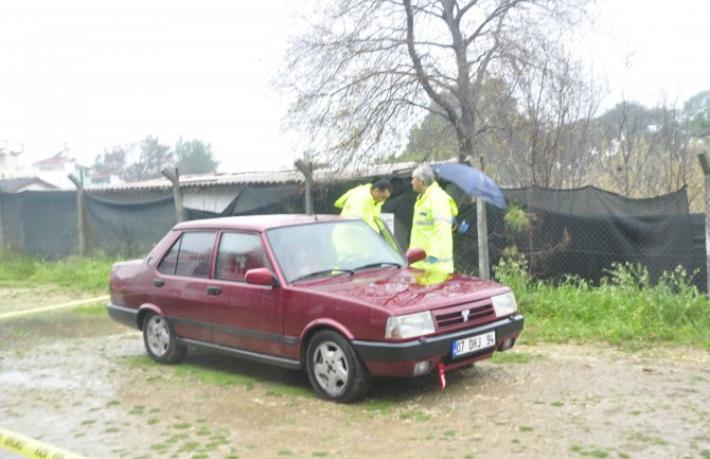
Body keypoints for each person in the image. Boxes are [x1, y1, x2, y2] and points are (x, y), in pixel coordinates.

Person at [409, 164, 459, 274]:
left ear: (421, 181)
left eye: (414, 179)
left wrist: (434, 256)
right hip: (421, 264)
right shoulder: (422, 200)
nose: (411, 182)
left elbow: (442, 230)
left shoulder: (437, 199)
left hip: (435, 267)